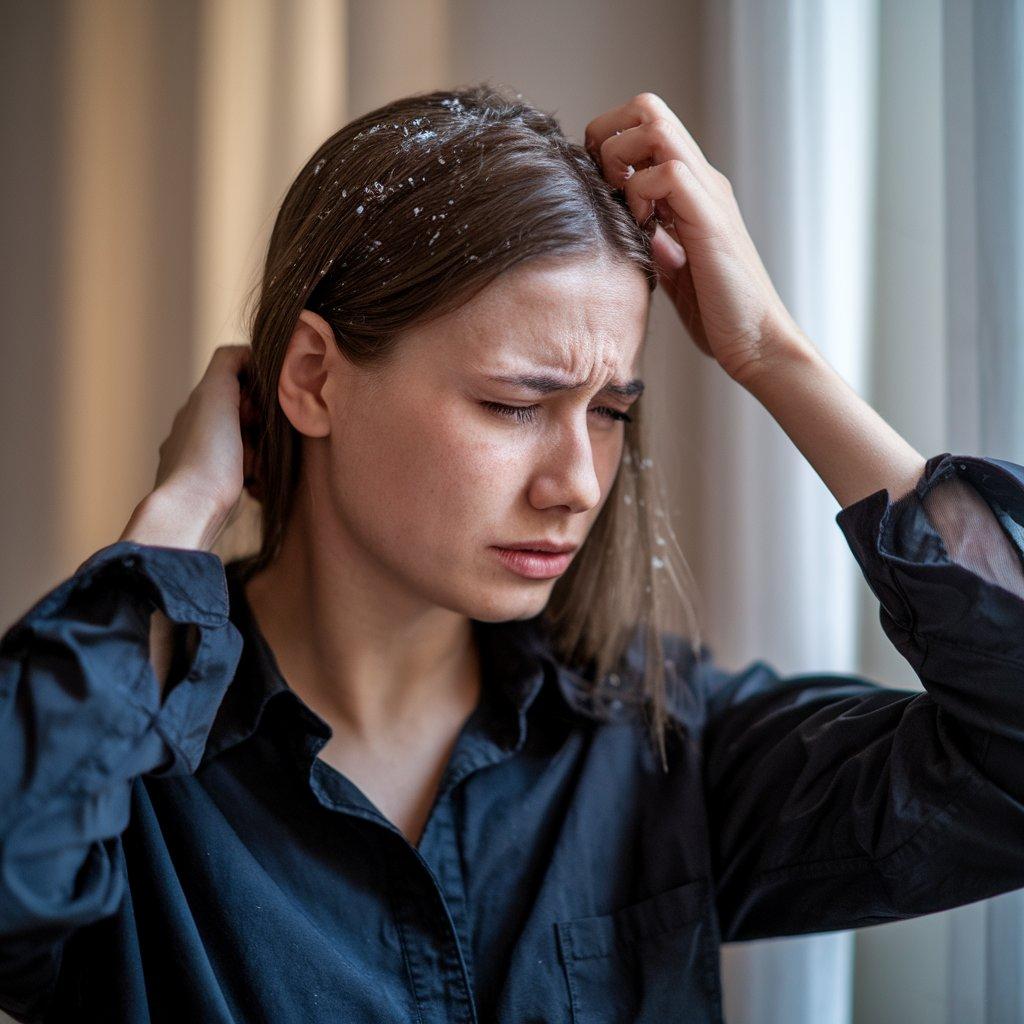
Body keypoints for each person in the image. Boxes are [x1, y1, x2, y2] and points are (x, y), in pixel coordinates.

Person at [1, 83, 1023, 1024]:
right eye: (513, 404)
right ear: (313, 377)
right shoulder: (120, 767)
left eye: (610, 411)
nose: (576, 483)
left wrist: (775, 356)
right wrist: (178, 518)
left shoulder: (660, 747)